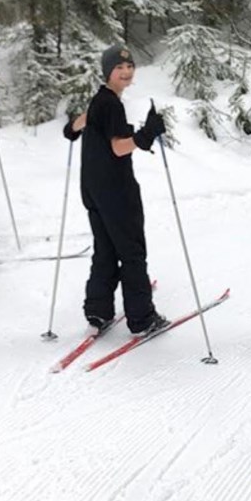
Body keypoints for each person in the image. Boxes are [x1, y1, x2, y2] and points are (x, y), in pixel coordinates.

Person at [62, 45, 167, 334]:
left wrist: (74, 126)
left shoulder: (99, 101)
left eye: (130, 67)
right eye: (119, 68)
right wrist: (146, 134)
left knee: (105, 249)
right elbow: (119, 148)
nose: (126, 72)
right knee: (132, 251)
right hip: (116, 191)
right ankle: (142, 318)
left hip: (93, 191)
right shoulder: (111, 105)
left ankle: (98, 311)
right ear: (107, 72)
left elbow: (74, 127)